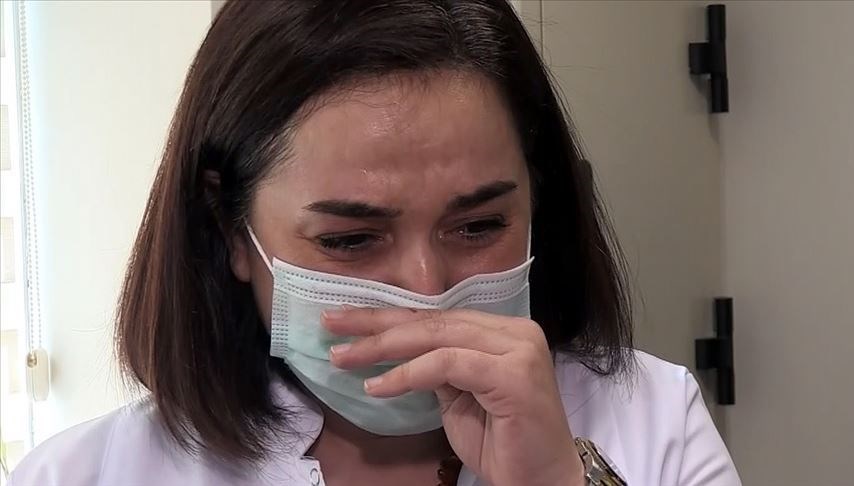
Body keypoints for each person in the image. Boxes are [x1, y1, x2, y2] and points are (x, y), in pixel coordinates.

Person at [9, 1, 741, 485]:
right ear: (231, 231)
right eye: (352, 239)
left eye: (479, 226)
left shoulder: (655, 421)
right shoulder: (85, 474)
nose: (426, 289)